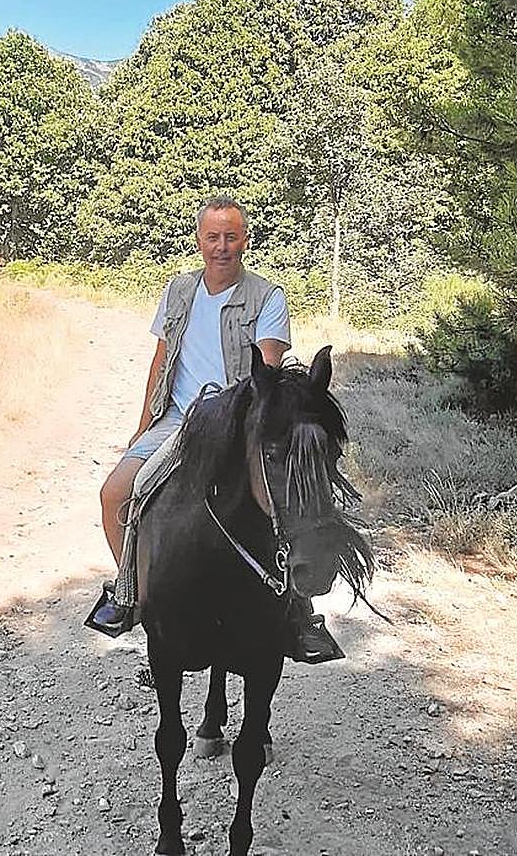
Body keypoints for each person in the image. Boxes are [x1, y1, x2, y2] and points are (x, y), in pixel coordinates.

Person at [89, 195, 344, 663]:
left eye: (230, 237)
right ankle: (135, 592)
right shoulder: (179, 291)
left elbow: (267, 373)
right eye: (213, 237)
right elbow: (161, 361)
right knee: (116, 494)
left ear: (245, 240)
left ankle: (298, 613)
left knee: (280, 502)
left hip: (237, 424)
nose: (221, 246)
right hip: (175, 420)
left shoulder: (267, 298)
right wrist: (142, 427)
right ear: (200, 241)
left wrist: (238, 421)